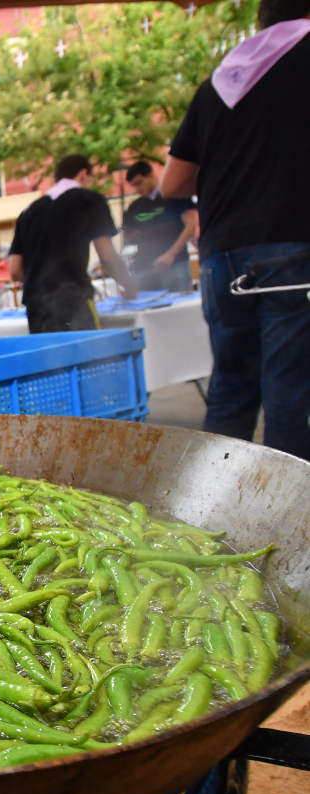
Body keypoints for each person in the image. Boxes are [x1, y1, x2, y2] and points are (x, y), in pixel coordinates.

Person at [161, 0, 310, 460]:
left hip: (221, 256)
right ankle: (296, 519)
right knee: (290, 387)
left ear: (260, 21)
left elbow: (174, 182)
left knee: (230, 387)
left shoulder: (222, 83)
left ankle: (209, 512)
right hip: (290, 245)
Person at [8, 155, 137, 333]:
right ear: (83, 174)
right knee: (87, 357)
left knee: (50, 360)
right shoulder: (90, 200)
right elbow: (107, 255)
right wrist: (129, 285)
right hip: (73, 299)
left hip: (36, 306)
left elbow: (15, 270)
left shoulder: (29, 212)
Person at [121, 160, 198, 293]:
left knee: (178, 310)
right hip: (143, 268)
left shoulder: (173, 196)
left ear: (151, 175)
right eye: (133, 186)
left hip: (175, 265)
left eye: (139, 183)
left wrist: (171, 254)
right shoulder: (135, 206)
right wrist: (131, 237)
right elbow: (127, 237)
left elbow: (192, 224)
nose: (137, 189)